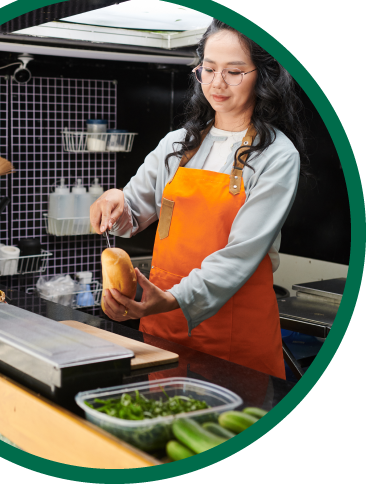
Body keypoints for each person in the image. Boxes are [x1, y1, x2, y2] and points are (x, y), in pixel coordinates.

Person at [90, 19, 308, 379]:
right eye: (208, 69)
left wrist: (174, 299)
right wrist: (115, 201)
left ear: (263, 76)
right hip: (161, 323)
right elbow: (131, 217)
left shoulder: (276, 155)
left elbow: (240, 256)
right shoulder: (178, 143)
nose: (217, 83)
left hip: (235, 336)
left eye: (235, 72)